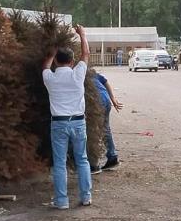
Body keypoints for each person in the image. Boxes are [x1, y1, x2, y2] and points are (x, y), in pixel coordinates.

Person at [42, 25, 92, 209]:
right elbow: (85, 55)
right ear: (72, 62)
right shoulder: (78, 75)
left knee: (60, 163)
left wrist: (52, 52)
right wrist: (82, 34)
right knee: (82, 159)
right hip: (78, 122)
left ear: (56, 61)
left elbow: (45, 66)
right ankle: (86, 197)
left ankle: (62, 201)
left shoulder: (49, 78)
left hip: (58, 124)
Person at [90, 71, 124, 174]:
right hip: (105, 100)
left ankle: (93, 164)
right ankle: (112, 157)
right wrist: (112, 98)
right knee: (105, 129)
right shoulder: (90, 72)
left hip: (94, 102)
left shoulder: (77, 72)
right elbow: (105, 81)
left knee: (91, 131)